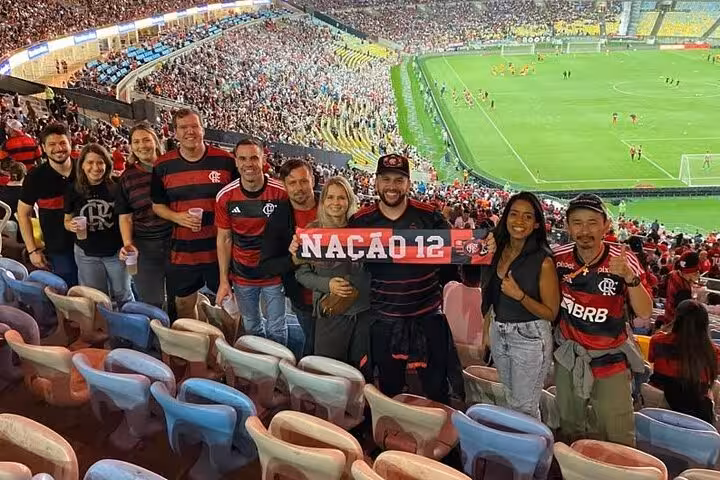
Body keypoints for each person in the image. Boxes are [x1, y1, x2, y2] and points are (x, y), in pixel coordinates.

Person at [347, 153, 474, 402]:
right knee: (389, 387)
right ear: (376, 182)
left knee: (437, 388)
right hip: (384, 319)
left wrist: (481, 245)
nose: (392, 186)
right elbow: (338, 255)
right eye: (386, 179)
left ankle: (441, 436)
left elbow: (455, 257)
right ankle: (391, 436)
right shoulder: (361, 221)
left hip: (426, 317)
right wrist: (302, 245)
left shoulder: (430, 217)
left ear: (408, 183)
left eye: (398, 180)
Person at [553, 193, 653, 446]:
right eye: (577, 222)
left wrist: (630, 278)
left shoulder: (623, 260)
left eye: (592, 222)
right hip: (570, 357)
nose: (584, 230)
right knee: (569, 426)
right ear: (567, 226)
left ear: (605, 225)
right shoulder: (558, 258)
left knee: (616, 435)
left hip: (610, 360)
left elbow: (644, 312)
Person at [151, 108, 235, 319]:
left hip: (221, 251)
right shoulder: (162, 165)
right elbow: (157, 205)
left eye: (194, 126)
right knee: (185, 306)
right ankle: (198, 347)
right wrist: (177, 217)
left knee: (230, 307)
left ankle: (229, 349)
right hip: (184, 252)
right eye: (183, 127)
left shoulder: (225, 161)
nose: (190, 131)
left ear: (203, 129)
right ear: (175, 133)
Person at [482, 192, 559, 419]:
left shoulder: (543, 260)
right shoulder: (498, 248)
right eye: (514, 214)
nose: (519, 221)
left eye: (527, 217)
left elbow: (551, 312)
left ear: (536, 224)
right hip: (499, 330)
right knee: (510, 398)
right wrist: (487, 327)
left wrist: (520, 296)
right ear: (505, 217)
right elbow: (489, 292)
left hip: (530, 337)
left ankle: (531, 452)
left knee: (524, 408)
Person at [215, 139, 289, 344]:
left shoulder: (281, 192)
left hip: (273, 275)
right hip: (243, 275)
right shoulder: (225, 196)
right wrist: (223, 281)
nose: (249, 164)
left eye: (254, 157)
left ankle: (279, 371)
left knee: (277, 327)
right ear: (236, 162)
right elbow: (224, 238)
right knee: (252, 324)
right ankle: (260, 371)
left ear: (263, 160)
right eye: (243, 158)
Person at [292, 176, 371, 363]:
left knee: (360, 370)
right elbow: (301, 273)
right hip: (331, 312)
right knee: (329, 369)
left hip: (364, 313)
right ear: (323, 200)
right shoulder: (312, 231)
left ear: (350, 200)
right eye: (331, 197)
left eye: (342, 197)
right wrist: (327, 284)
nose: (336, 202)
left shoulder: (363, 229)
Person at [260, 158, 318, 355]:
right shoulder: (278, 217)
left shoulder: (332, 204)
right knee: (314, 346)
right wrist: (294, 260)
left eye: (303, 181)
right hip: (304, 300)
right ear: (284, 186)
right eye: (292, 183)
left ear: (313, 181)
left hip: (338, 296)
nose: (299, 187)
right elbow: (267, 265)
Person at [64, 144, 132, 305]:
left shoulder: (117, 185)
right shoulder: (73, 189)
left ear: (107, 164)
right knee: (97, 298)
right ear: (82, 165)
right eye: (90, 162)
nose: (95, 167)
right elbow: (66, 220)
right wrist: (71, 225)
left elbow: (126, 218)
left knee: (123, 294)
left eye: (100, 162)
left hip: (116, 252)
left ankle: (129, 328)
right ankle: (105, 328)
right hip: (86, 254)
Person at [116, 123, 172, 308]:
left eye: (146, 140)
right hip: (145, 247)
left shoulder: (171, 168)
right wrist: (127, 244)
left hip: (177, 242)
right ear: (131, 146)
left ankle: (180, 335)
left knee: (180, 299)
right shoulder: (127, 177)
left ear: (155, 142)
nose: (142, 145)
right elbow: (125, 216)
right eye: (136, 141)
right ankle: (157, 335)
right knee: (152, 301)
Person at [17, 123, 78, 286]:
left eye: (63, 143)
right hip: (59, 248)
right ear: (43, 148)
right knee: (69, 292)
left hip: (91, 245)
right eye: (52, 144)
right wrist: (32, 250)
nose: (58, 148)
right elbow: (23, 213)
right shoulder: (35, 177)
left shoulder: (84, 168)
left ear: (70, 144)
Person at [649, 300, 719, 423]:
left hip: (655, 411)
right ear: (704, 323)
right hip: (697, 417)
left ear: (676, 318)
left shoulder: (657, 341)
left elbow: (651, 361)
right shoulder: (713, 352)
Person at [664, 251, 699, 325]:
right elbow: (682, 316)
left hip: (667, 317)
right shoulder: (684, 289)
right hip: (674, 326)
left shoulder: (673, 274)